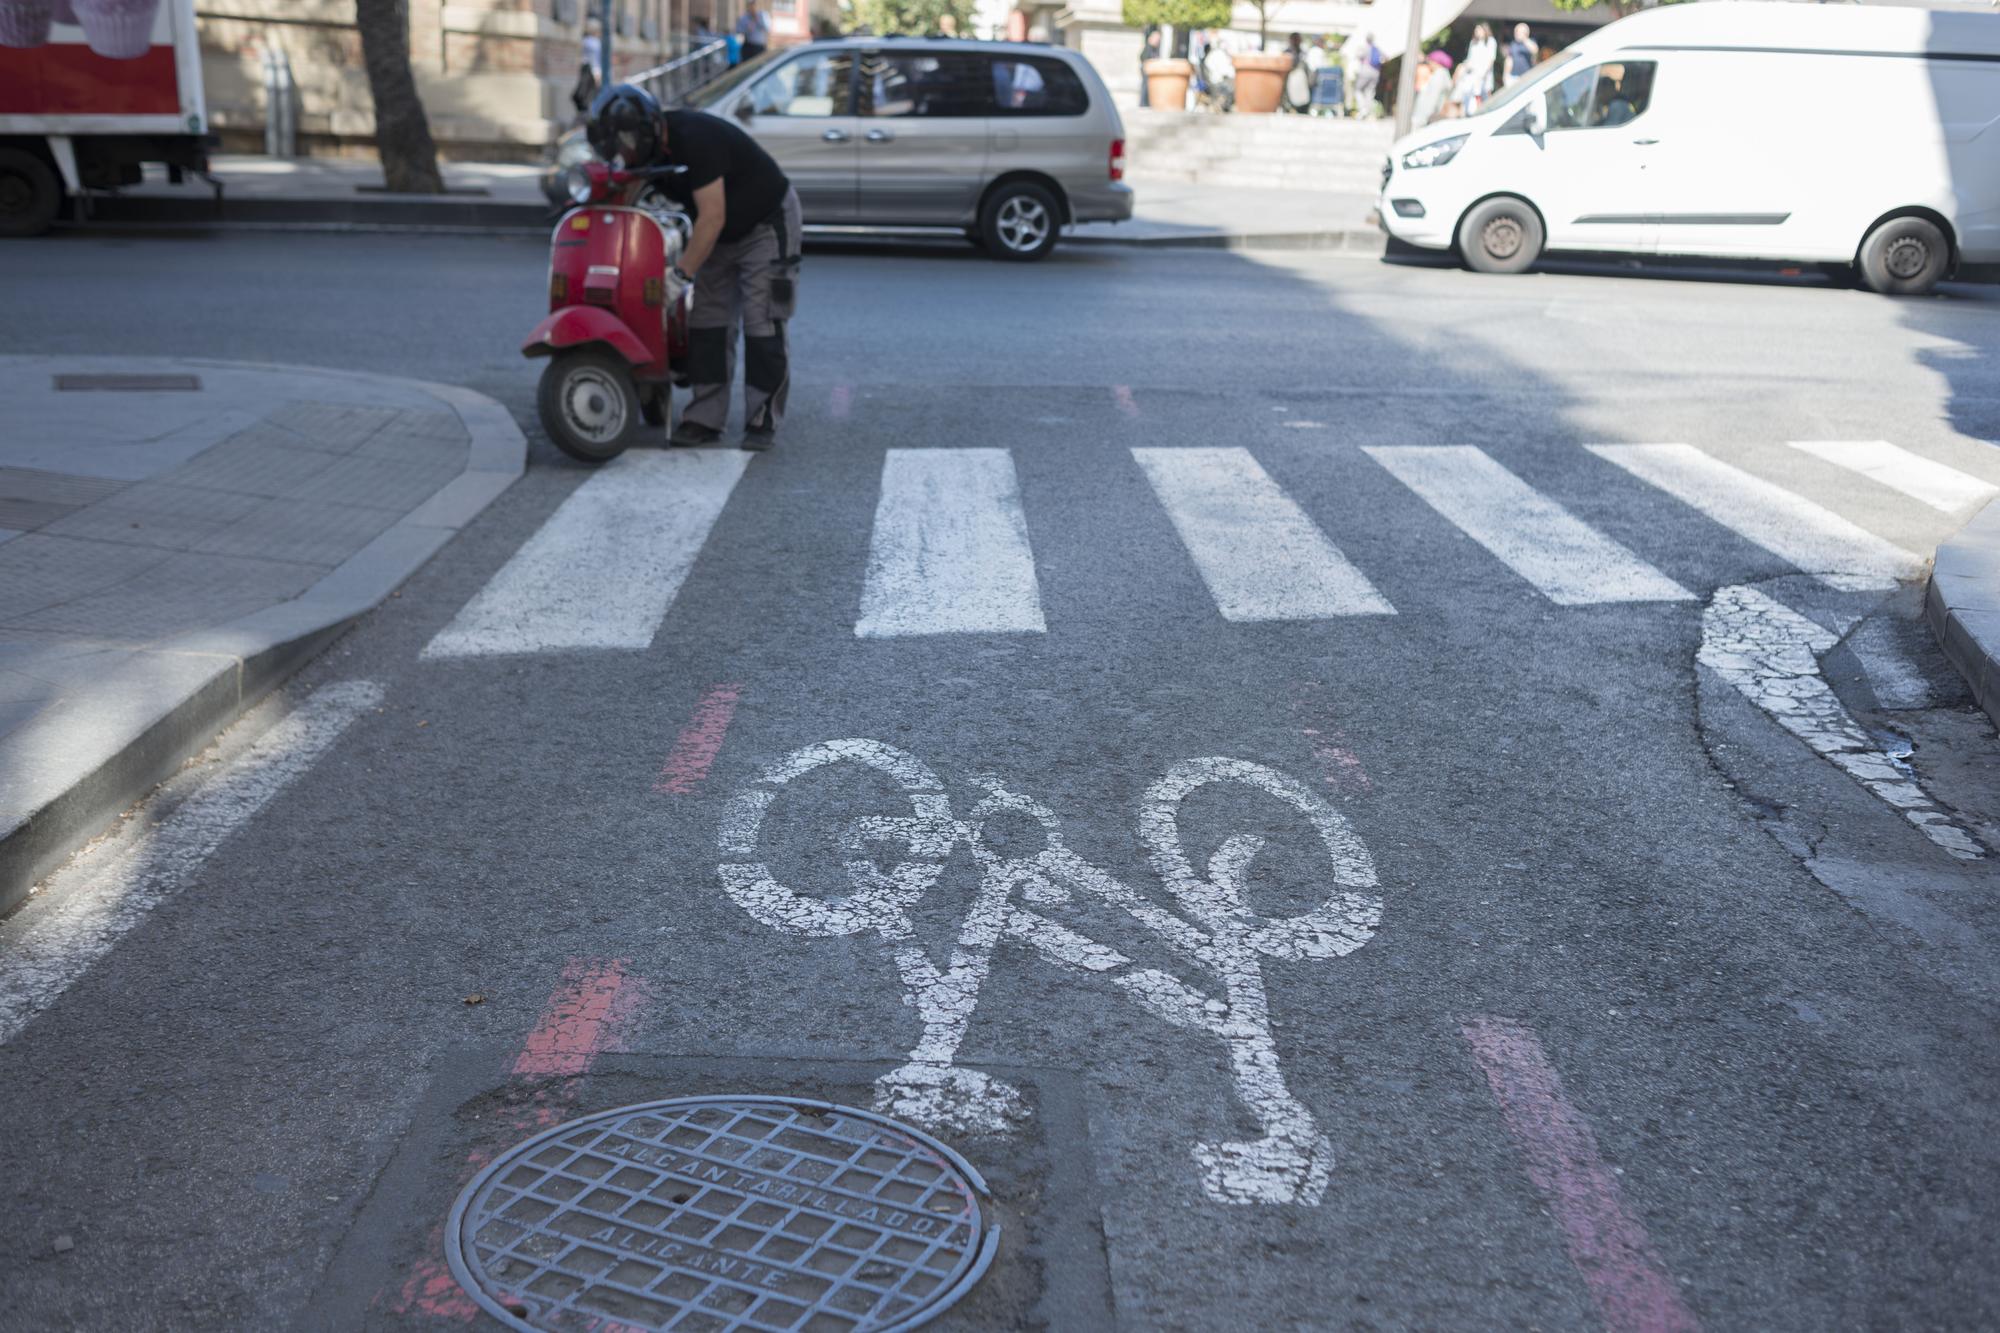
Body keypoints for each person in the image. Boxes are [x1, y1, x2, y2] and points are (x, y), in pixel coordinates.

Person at [586, 84, 800, 450]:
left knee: (762, 322)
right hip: (718, 234)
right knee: (707, 323)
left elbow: (712, 216)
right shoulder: (644, 154)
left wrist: (680, 275)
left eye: (626, 142)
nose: (625, 152)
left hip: (765, 225)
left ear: (647, 128)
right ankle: (705, 418)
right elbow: (626, 199)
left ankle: (762, 418)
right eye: (617, 147)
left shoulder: (696, 139)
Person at [1462, 22, 1496, 113]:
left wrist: (1484, 73)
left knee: (1486, 95)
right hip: (1473, 74)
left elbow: (1491, 59)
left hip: (1484, 75)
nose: (1477, 32)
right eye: (1476, 30)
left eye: (1479, 29)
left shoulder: (1490, 41)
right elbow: (1470, 58)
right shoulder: (1473, 42)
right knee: (1473, 96)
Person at [1138, 28, 1161, 108]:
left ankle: (1146, 103)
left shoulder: (1154, 48)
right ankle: (1143, 103)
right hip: (1146, 69)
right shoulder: (1148, 47)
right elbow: (1142, 57)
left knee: (1148, 86)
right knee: (1145, 86)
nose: (1158, 41)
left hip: (1150, 70)